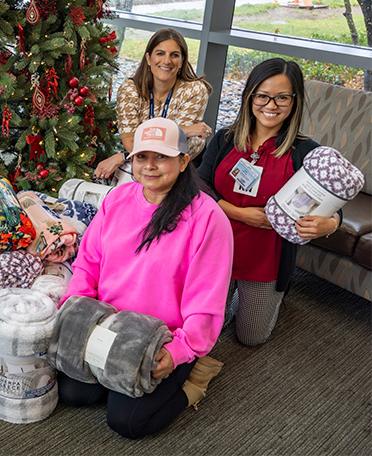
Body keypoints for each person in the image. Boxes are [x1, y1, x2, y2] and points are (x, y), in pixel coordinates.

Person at [59, 117, 233, 439]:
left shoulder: (208, 219)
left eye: (162, 156)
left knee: (127, 422)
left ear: (183, 161)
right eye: (142, 156)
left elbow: (206, 304)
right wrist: (75, 309)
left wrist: (179, 351)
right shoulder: (117, 199)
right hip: (109, 325)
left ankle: (196, 376)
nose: (150, 166)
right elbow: (87, 263)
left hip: (162, 338)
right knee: (73, 394)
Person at [197, 58, 340, 347]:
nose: (271, 105)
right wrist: (239, 213)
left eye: (282, 97)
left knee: (251, 337)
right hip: (216, 252)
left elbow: (334, 204)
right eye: (262, 96)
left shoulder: (306, 152)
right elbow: (198, 186)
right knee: (209, 328)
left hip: (266, 259)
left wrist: (329, 223)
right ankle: (232, 295)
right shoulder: (225, 137)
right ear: (249, 97)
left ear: (295, 101)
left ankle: (270, 297)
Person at [95, 28, 213, 180]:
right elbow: (130, 142)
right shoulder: (130, 89)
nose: (167, 61)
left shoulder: (194, 90)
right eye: (160, 53)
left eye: (174, 55)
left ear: (182, 61)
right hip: (141, 160)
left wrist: (123, 156)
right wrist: (185, 130)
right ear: (148, 58)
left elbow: (175, 146)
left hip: (186, 165)